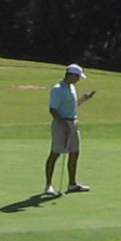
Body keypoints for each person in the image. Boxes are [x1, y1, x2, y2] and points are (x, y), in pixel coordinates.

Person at [45, 64, 96, 196]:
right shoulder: (58, 89)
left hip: (73, 122)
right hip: (60, 124)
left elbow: (72, 106)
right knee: (55, 153)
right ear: (72, 75)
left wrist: (83, 99)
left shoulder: (72, 88)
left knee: (74, 152)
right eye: (78, 77)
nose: (79, 79)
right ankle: (48, 186)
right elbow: (53, 109)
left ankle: (72, 184)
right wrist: (64, 125)